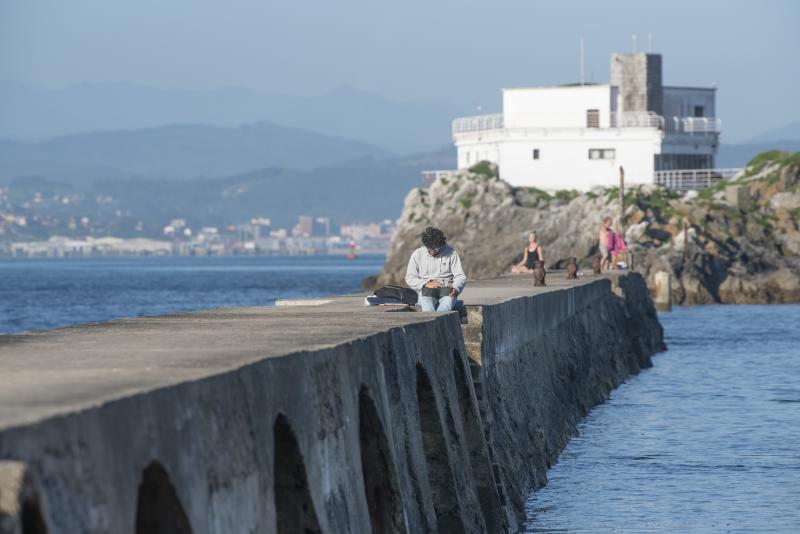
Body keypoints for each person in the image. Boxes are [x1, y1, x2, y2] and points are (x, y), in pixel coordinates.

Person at [405, 227, 466, 312]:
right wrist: (426, 284)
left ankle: (439, 321)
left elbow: (460, 276)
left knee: (447, 304)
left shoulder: (452, 253)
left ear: (441, 244)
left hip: (447, 292)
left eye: (436, 248)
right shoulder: (417, 254)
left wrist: (455, 289)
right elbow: (410, 277)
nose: (432, 251)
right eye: (429, 249)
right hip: (426, 293)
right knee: (427, 306)